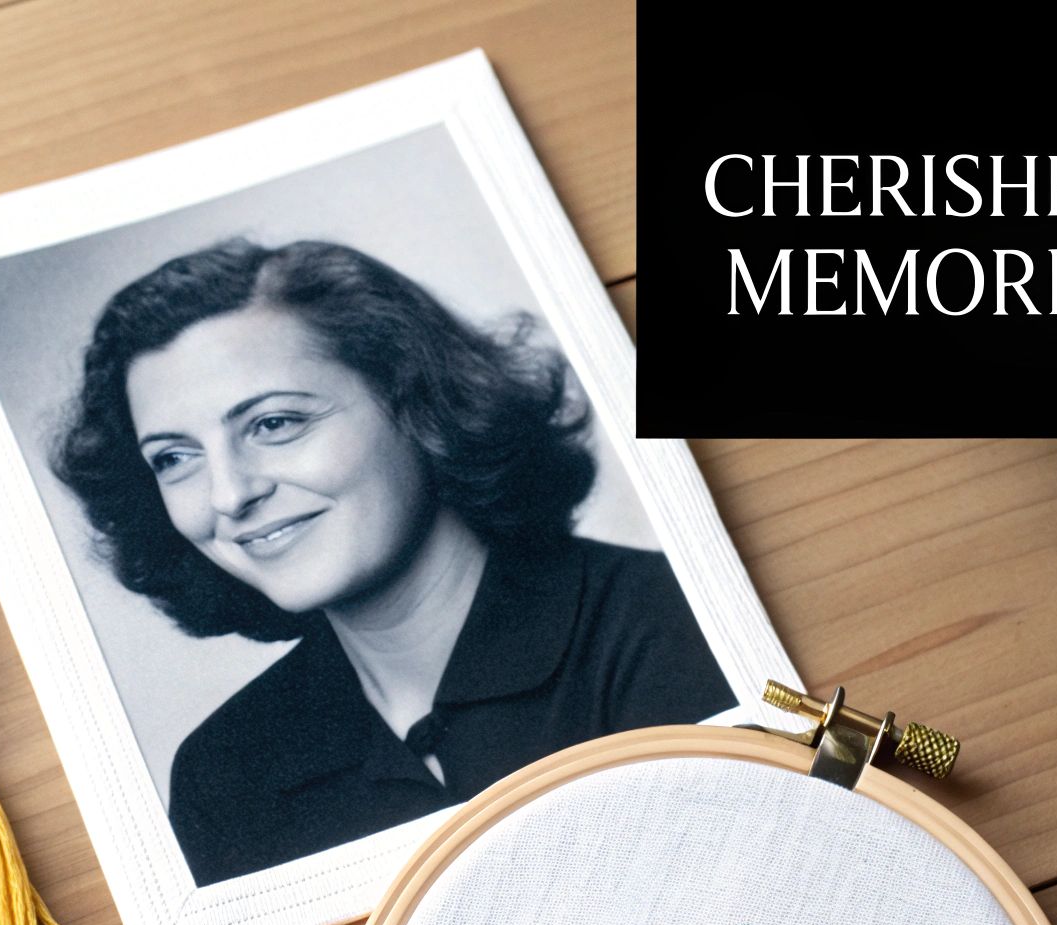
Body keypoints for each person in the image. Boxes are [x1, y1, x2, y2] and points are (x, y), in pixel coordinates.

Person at [53, 239, 736, 885]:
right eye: (174, 459)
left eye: (275, 423)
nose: (230, 494)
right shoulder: (225, 772)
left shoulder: (671, 620)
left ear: (414, 401)